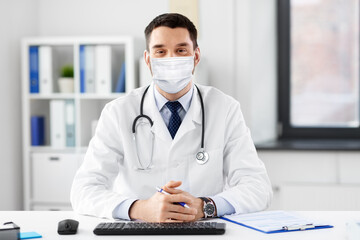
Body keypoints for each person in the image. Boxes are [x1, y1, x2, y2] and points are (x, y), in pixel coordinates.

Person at [71, 13, 272, 222]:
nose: (171, 59)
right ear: (148, 59)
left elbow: (258, 187)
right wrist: (140, 209)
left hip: (203, 229)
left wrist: (206, 206)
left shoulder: (225, 109)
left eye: (181, 50)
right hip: (139, 231)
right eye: (160, 51)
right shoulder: (118, 112)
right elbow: (83, 190)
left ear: (196, 56)